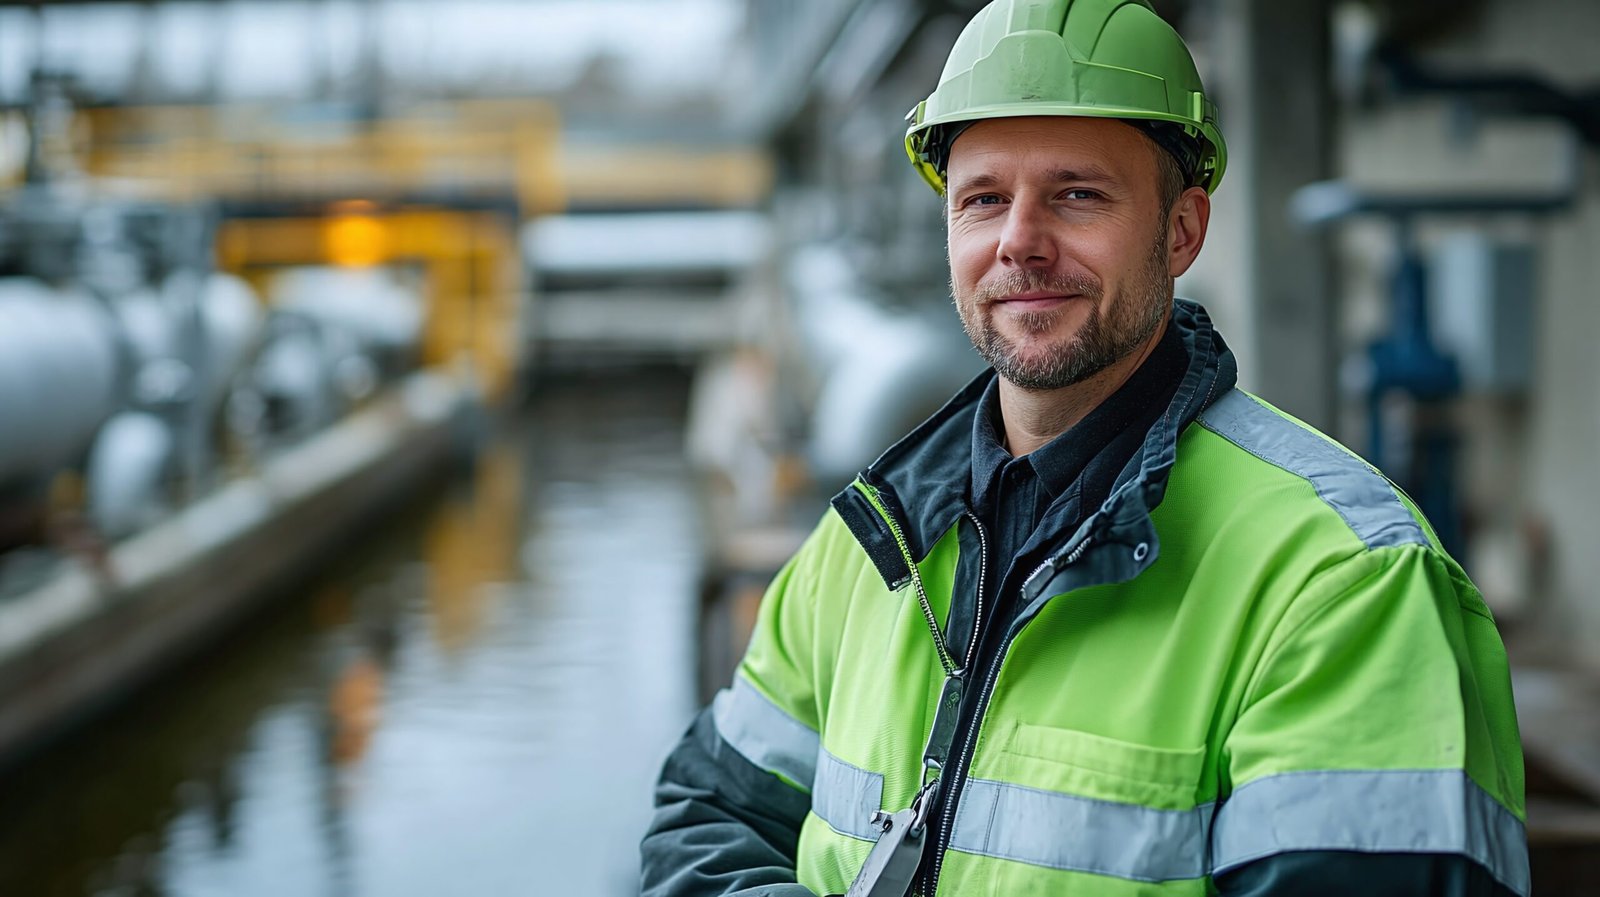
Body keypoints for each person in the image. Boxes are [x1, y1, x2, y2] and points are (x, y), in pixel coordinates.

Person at [640, 1, 1527, 895]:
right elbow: (708, 816)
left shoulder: (1342, 582)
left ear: (1181, 229)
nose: (1020, 242)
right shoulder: (868, 547)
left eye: (1077, 194)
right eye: (983, 199)